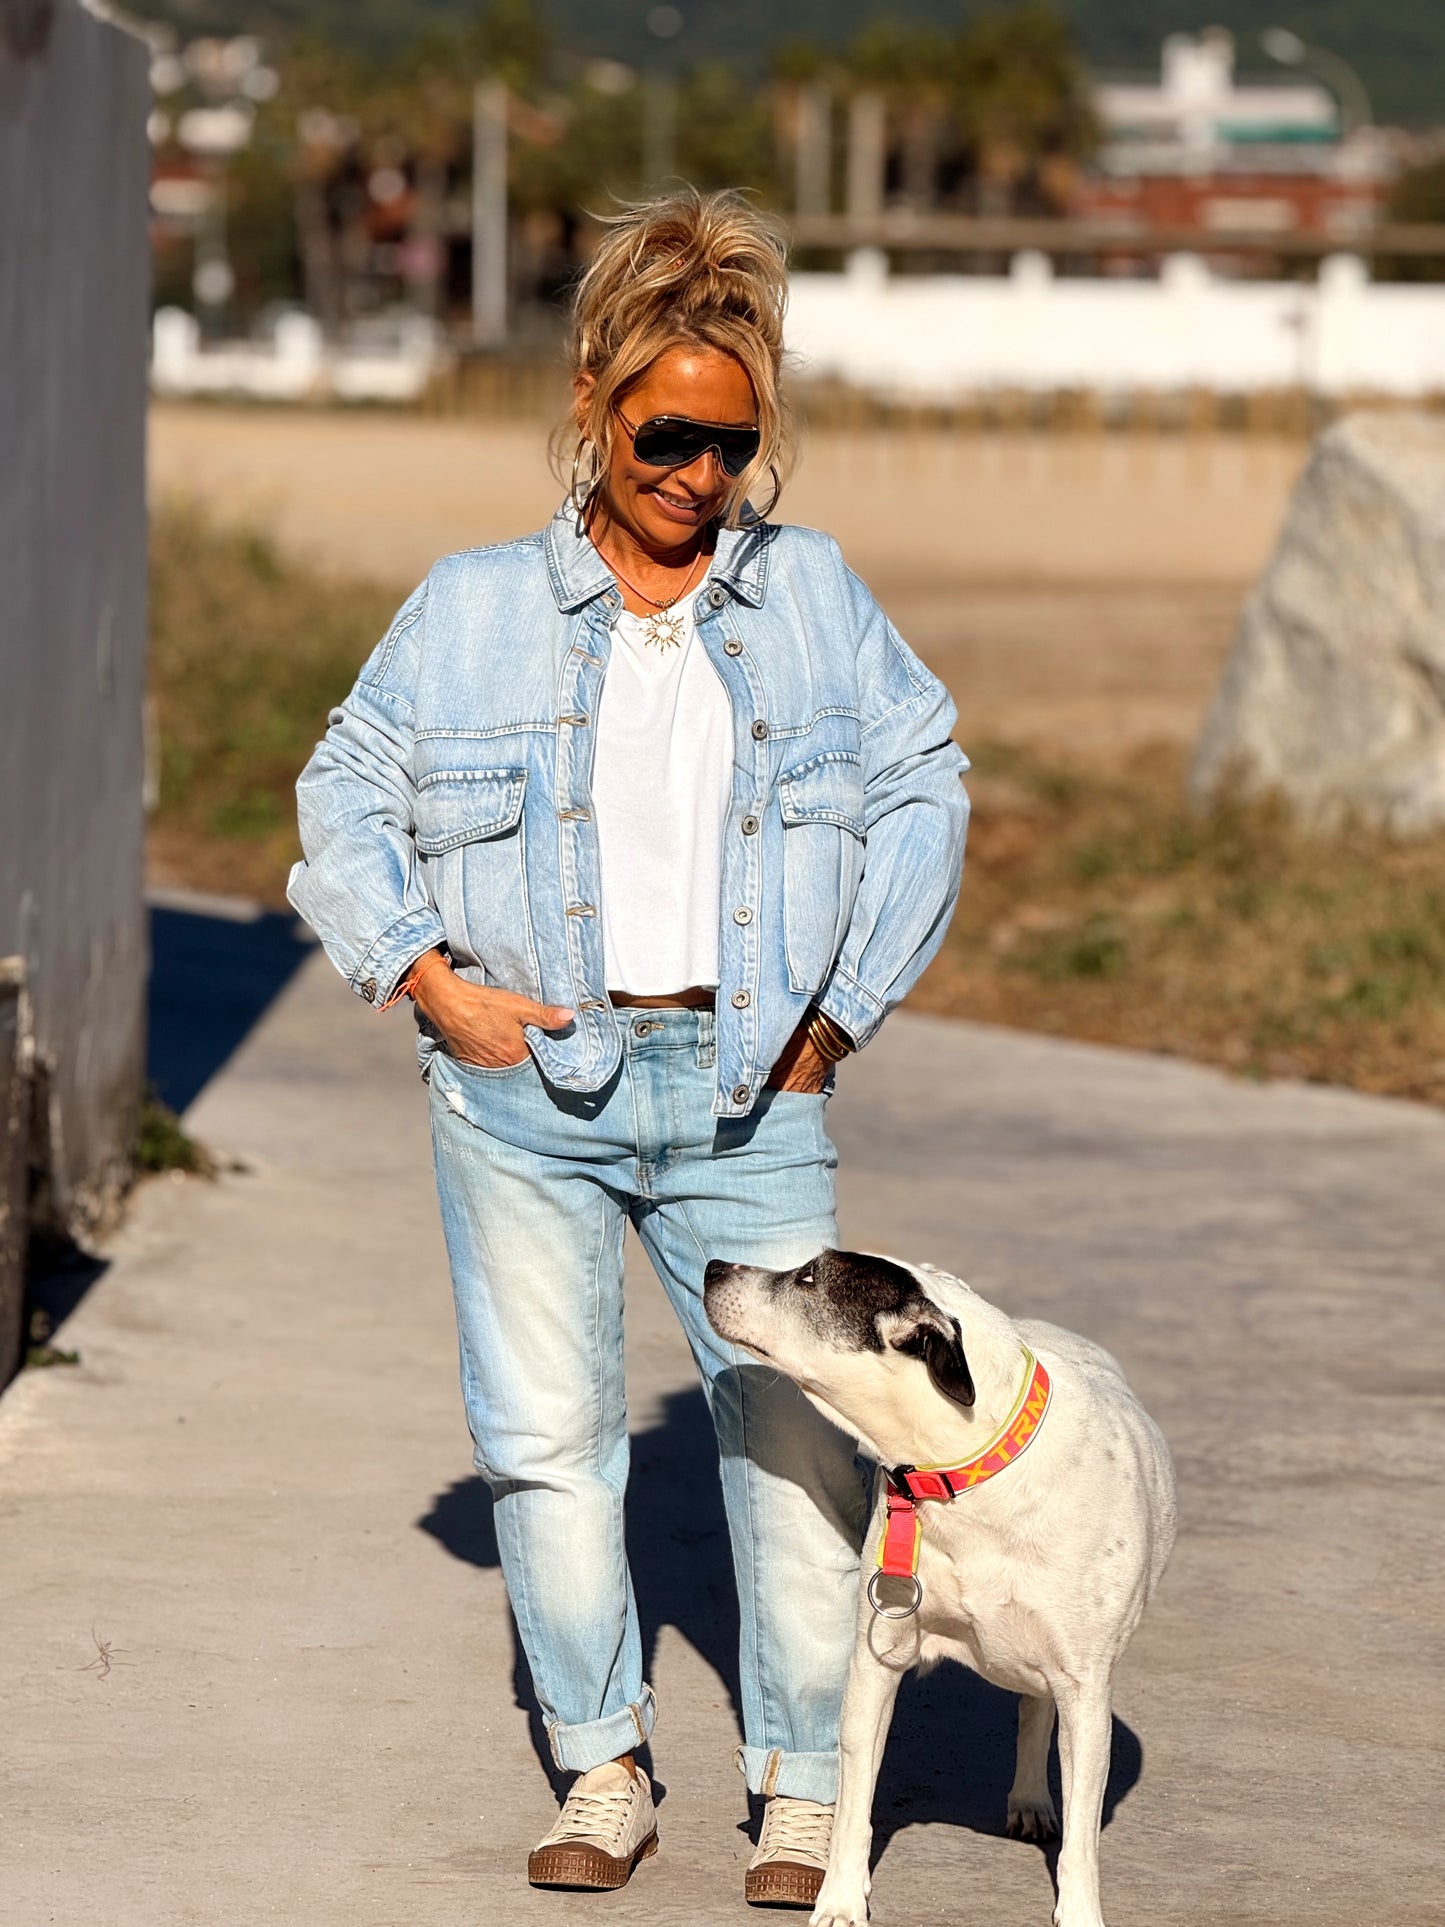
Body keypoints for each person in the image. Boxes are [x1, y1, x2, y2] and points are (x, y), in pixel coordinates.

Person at [288, 187, 968, 1907]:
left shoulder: (808, 601)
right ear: (594, 405)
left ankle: (801, 1789)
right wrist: (425, 977)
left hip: (748, 1088)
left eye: (731, 446)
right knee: (544, 1440)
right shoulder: (468, 612)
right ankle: (600, 1769)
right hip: (526, 1090)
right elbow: (342, 792)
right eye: (665, 435)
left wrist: (844, 1006)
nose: (696, 475)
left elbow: (922, 778)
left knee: (797, 1443)